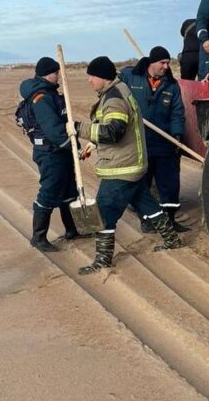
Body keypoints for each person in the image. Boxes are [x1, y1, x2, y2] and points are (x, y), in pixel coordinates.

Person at [67, 57, 182, 275]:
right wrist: (92, 142)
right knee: (147, 204)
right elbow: (111, 126)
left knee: (104, 213)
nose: (89, 81)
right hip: (133, 165)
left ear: (102, 77)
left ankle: (103, 260)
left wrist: (78, 128)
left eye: (92, 76)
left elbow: (113, 132)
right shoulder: (118, 90)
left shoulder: (114, 98)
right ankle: (172, 239)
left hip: (120, 169)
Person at [120, 46, 189, 234]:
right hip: (140, 142)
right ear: (152, 62)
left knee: (169, 184)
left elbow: (177, 112)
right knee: (143, 184)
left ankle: (170, 220)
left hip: (165, 143)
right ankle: (147, 220)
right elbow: (115, 88)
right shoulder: (132, 78)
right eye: (162, 63)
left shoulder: (171, 85)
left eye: (168, 63)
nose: (166, 66)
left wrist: (177, 135)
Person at [18, 57, 83, 252]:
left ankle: (72, 229)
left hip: (60, 151)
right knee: (49, 191)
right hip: (49, 152)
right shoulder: (42, 98)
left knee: (68, 189)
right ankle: (38, 237)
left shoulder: (51, 93)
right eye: (57, 73)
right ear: (48, 74)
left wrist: (74, 145)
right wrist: (72, 147)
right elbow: (54, 129)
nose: (59, 77)